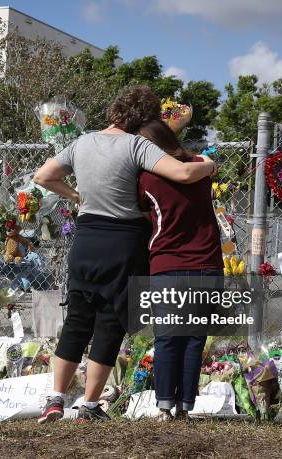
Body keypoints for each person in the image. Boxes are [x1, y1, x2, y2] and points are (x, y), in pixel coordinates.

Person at [33, 86, 217, 423]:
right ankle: (88, 405)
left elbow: (43, 176)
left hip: (86, 240)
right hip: (123, 243)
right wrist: (208, 165)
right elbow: (182, 173)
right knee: (110, 323)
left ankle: (56, 398)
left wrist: (77, 197)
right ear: (145, 118)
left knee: (76, 320)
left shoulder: (82, 142)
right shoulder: (138, 145)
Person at [136, 119, 224, 421]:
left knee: (168, 337)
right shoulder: (201, 166)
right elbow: (208, 164)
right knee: (194, 338)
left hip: (168, 265)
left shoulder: (146, 178)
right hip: (208, 264)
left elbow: (144, 213)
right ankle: (186, 407)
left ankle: (164, 407)